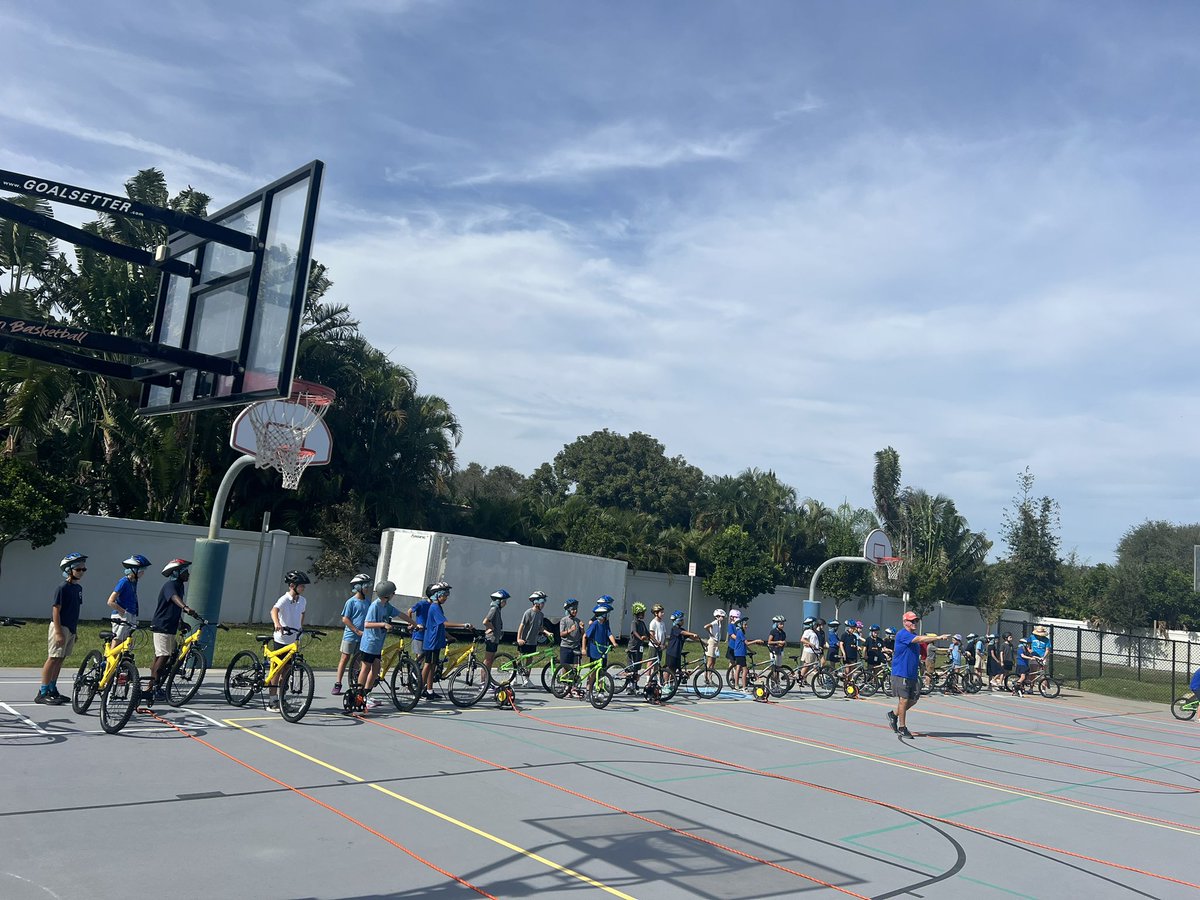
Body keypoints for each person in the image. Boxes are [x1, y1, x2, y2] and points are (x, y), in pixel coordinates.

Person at [888, 610, 949, 738]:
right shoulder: (902, 634)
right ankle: (902, 727)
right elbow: (921, 639)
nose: (915, 622)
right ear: (905, 622)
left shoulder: (914, 638)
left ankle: (893, 714)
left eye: (916, 620)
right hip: (901, 673)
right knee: (903, 700)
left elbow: (920, 653)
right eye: (912, 621)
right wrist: (938, 637)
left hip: (912, 674)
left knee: (913, 699)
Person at [37, 553, 87, 705]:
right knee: (53, 658)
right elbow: (56, 611)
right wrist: (59, 632)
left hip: (70, 628)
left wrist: (74, 631)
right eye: (79, 569)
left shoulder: (78, 588)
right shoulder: (62, 588)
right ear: (69, 570)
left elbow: (74, 610)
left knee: (60, 659)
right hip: (60, 627)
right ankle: (43, 692)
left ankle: (52, 688)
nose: (82, 572)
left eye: (84, 569)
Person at [149, 559, 198, 700]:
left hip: (170, 626)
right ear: (177, 573)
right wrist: (186, 608)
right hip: (162, 625)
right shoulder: (170, 585)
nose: (188, 574)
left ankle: (152, 686)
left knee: (163, 656)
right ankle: (154, 687)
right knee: (163, 655)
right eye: (185, 572)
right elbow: (174, 598)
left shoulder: (179, 586)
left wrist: (181, 622)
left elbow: (173, 607)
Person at [420, 582, 472, 701]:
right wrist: (463, 625)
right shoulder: (434, 607)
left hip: (437, 640)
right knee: (428, 665)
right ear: (437, 595)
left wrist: (448, 636)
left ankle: (429, 690)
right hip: (431, 641)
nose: (446, 597)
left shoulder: (438, 607)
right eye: (445, 595)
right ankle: (420, 690)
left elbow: (439, 626)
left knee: (433, 665)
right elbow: (444, 623)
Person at [358, 581, 403, 709]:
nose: (394, 594)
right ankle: (359, 696)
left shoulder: (386, 605)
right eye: (393, 593)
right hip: (369, 643)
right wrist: (383, 624)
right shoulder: (375, 606)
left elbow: (400, 614)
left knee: (376, 669)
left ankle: (366, 693)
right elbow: (367, 624)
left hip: (377, 643)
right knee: (365, 669)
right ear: (387, 594)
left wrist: (415, 624)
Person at [268, 571, 309, 711]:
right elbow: (274, 610)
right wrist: (277, 623)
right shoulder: (284, 599)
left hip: (293, 639)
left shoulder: (302, 600)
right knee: (277, 669)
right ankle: (272, 700)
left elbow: (302, 613)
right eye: (301, 586)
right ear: (292, 586)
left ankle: (281, 698)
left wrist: (300, 627)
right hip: (282, 639)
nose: (303, 588)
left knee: (287, 670)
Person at [333, 573, 372, 696]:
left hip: (363, 636)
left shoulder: (368, 602)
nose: (367, 588)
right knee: (345, 658)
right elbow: (345, 619)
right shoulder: (351, 602)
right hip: (351, 635)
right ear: (358, 587)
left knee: (357, 660)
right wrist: (356, 630)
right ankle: (338, 683)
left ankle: (354, 682)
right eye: (366, 585)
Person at [107, 553, 150, 645]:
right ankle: (109, 659)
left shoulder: (133, 582)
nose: (143, 573)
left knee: (128, 642)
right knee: (118, 638)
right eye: (141, 570)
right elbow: (110, 601)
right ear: (134, 570)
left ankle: (122, 659)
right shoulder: (124, 582)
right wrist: (123, 611)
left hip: (131, 615)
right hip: (122, 616)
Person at [515, 591, 554, 686]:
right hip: (524, 640)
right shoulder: (528, 612)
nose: (543, 604)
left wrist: (547, 632)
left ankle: (526, 679)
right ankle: (513, 676)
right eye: (542, 602)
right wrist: (519, 639)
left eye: (544, 602)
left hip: (533, 641)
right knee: (520, 658)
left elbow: (540, 627)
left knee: (529, 660)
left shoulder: (541, 614)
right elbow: (521, 626)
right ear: (536, 602)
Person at [581, 600, 618, 692]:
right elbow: (585, 636)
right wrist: (583, 649)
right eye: (606, 614)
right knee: (593, 671)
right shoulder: (594, 624)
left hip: (603, 650)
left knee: (602, 671)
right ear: (601, 615)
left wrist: (614, 643)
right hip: (594, 651)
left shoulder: (605, 624)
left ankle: (600, 688)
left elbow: (609, 634)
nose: (608, 616)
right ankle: (588, 688)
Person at [728, 614, 763, 690]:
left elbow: (744, 644)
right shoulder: (740, 632)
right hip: (740, 653)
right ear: (741, 625)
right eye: (745, 625)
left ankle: (736, 685)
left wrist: (751, 651)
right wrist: (756, 641)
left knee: (738, 668)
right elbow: (746, 643)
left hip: (739, 653)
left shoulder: (740, 632)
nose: (746, 626)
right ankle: (744, 687)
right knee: (745, 670)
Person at [481, 589, 509, 682]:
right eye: (504, 601)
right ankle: (483, 682)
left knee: (490, 660)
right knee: (487, 660)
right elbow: (485, 621)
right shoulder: (494, 609)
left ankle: (487, 681)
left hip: (495, 639)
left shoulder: (497, 610)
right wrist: (492, 628)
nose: (505, 603)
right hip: (491, 638)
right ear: (499, 601)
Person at [664, 610, 700, 682]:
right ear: (677, 621)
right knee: (669, 668)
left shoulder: (681, 629)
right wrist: (692, 633)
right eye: (681, 620)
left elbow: (690, 637)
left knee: (674, 670)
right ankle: (665, 683)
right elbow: (683, 633)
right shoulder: (675, 629)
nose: (683, 621)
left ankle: (671, 684)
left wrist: (702, 642)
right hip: (671, 652)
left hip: (677, 653)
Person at [559, 599, 583, 695]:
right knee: (565, 667)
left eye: (576, 609)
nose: (575, 611)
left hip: (576, 646)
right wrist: (570, 630)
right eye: (573, 609)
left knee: (576, 667)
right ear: (568, 610)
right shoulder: (564, 620)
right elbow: (561, 634)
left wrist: (582, 629)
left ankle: (574, 686)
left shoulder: (578, 621)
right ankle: (564, 685)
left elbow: (582, 635)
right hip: (565, 646)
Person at [625, 602, 651, 692]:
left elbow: (648, 634)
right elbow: (634, 632)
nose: (644, 615)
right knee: (631, 668)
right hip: (633, 647)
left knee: (637, 667)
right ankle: (629, 686)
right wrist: (641, 638)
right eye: (642, 613)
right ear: (637, 613)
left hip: (640, 648)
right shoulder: (634, 623)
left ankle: (635, 684)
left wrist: (656, 642)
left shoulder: (642, 623)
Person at [767, 615, 787, 691]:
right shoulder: (773, 631)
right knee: (774, 668)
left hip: (780, 651)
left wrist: (784, 643)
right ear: (776, 624)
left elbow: (784, 642)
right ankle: (772, 684)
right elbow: (769, 642)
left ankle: (777, 684)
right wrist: (778, 642)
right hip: (773, 651)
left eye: (783, 623)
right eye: (780, 623)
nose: (782, 625)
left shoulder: (783, 633)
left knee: (779, 668)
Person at [703, 608, 726, 674]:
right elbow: (705, 627)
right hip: (712, 643)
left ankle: (710, 677)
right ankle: (706, 676)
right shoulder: (715, 622)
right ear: (717, 616)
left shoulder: (719, 623)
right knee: (710, 662)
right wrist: (710, 634)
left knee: (713, 662)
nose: (723, 618)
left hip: (716, 643)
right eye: (722, 616)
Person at [799, 617, 820, 683]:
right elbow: (802, 639)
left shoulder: (812, 631)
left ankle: (804, 678)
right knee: (806, 665)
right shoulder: (807, 631)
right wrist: (810, 644)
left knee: (808, 666)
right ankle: (801, 678)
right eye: (814, 624)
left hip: (813, 651)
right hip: (809, 651)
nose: (815, 625)